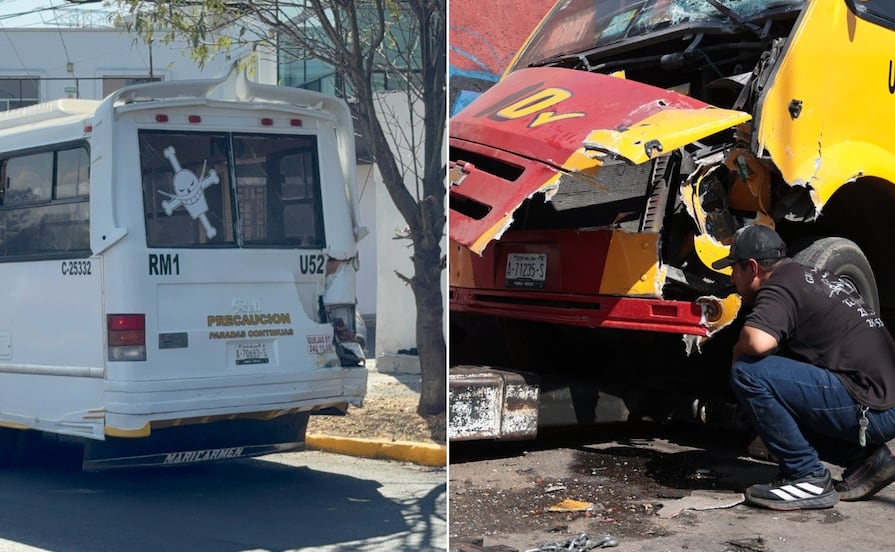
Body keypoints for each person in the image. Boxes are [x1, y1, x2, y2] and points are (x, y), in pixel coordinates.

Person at [712, 225, 895, 511]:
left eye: (734, 268)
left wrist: (736, 352)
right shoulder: (809, 276)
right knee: (781, 392)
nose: (732, 278)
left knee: (749, 373)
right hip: (882, 401)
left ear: (753, 267)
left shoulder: (779, 285)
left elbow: (758, 341)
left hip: (872, 406)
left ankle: (806, 477)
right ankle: (866, 461)